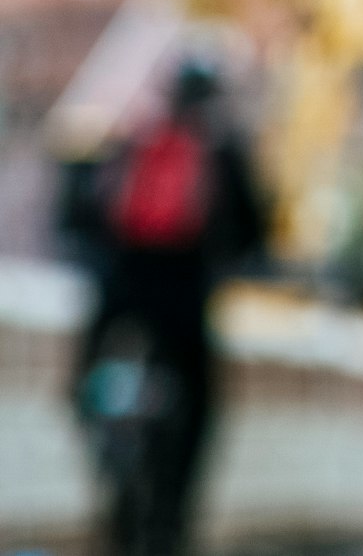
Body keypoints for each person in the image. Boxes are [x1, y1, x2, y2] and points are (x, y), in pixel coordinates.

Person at [69, 56, 267, 555]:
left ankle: (109, 467)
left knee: (83, 386)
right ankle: (171, 516)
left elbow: (83, 214)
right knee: (200, 404)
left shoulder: (129, 139)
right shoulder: (222, 150)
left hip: (120, 290)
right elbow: (251, 232)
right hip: (182, 291)